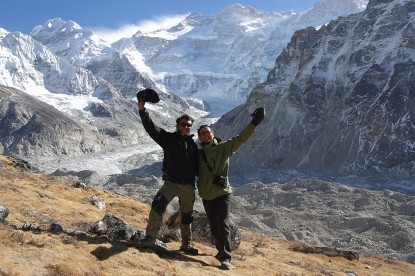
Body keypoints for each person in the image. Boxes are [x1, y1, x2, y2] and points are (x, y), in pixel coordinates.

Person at [197, 107, 265, 270]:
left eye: (208, 132)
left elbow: (240, 139)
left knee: (223, 223)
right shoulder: (198, 155)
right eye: (203, 133)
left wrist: (254, 123)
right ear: (199, 137)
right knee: (214, 227)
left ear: (212, 134)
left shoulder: (223, 148)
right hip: (206, 195)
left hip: (222, 193)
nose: (206, 134)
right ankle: (220, 251)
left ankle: (226, 258)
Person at [137, 92, 199, 255]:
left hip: (188, 187)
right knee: (157, 205)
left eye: (188, 125)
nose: (186, 127)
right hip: (170, 183)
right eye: (183, 124)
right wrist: (143, 111)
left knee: (187, 216)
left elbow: (200, 167)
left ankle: (186, 244)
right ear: (177, 125)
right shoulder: (168, 139)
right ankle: (150, 238)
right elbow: (152, 128)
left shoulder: (193, 146)